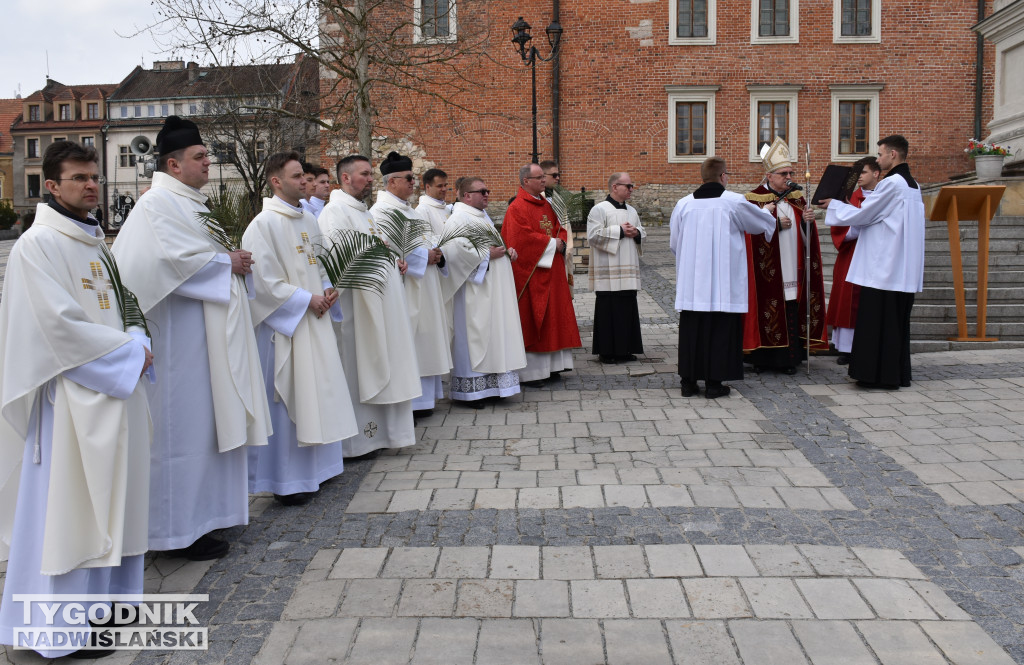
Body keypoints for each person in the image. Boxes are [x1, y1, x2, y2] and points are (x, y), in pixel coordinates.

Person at [0, 141, 154, 658]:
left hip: (113, 393)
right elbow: (57, 329)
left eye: (94, 177)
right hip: (69, 404)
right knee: (71, 515)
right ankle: (57, 635)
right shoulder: (37, 245)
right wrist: (129, 353)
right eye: (79, 178)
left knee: (114, 510)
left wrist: (139, 341)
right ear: (51, 186)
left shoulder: (93, 242)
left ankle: (104, 617)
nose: (92, 185)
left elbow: (122, 310)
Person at [112, 116, 271, 561]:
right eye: (200, 157)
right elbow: (166, 261)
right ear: (173, 164)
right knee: (180, 432)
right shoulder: (158, 204)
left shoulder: (190, 202)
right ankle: (174, 530)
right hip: (177, 342)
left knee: (204, 428)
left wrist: (228, 259)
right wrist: (227, 262)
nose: (208, 162)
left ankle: (206, 517)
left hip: (204, 337)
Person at [241, 152, 358, 506]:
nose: (305, 182)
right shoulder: (263, 225)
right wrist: (306, 300)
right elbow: (262, 283)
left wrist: (327, 288)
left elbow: (320, 264)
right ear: (277, 182)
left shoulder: (307, 219)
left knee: (318, 392)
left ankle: (319, 470)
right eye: (297, 177)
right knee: (290, 398)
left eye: (305, 177)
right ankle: (288, 481)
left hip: (315, 320)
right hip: (287, 328)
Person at [318, 155, 420, 457]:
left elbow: (376, 248)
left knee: (384, 365)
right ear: (345, 178)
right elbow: (338, 262)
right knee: (359, 369)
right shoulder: (334, 213)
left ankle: (386, 435)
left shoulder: (363, 212)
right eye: (364, 174)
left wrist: (393, 261)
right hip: (358, 313)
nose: (370, 179)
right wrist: (380, 256)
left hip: (381, 306)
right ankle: (359, 442)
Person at [822, 135, 925, 389]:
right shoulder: (914, 185)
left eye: (880, 154)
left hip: (884, 268)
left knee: (877, 324)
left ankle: (875, 376)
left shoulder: (892, 184)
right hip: (902, 267)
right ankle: (895, 373)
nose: (877, 159)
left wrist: (834, 205)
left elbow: (866, 214)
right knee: (895, 324)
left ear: (893, 155)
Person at [671, 157, 777, 398]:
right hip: (722, 283)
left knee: (691, 332)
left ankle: (687, 382)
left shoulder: (684, 204)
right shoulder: (734, 201)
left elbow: (675, 242)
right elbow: (760, 224)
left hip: (693, 283)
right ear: (723, 176)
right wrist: (767, 212)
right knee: (720, 331)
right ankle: (714, 384)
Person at [370, 152, 452, 418]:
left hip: (425, 283)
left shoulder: (408, 209)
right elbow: (389, 247)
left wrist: (436, 253)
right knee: (413, 339)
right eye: (409, 178)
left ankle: (425, 400)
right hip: (407, 286)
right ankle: (413, 402)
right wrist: (424, 256)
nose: (413, 183)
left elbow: (425, 238)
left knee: (426, 339)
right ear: (391, 181)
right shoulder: (381, 212)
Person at [743, 136, 828, 374]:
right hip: (766, 271)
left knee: (790, 309)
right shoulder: (753, 199)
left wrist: (807, 224)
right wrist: (775, 224)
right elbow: (748, 235)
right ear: (769, 176)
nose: (789, 178)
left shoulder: (797, 199)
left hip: (793, 266)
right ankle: (762, 360)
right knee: (767, 309)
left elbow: (807, 237)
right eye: (783, 174)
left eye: (791, 173)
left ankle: (790, 359)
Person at [441, 177, 526, 407]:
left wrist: (505, 252)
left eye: (487, 190)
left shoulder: (482, 217)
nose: (487, 194)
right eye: (482, 191)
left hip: (492, 292)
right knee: (474, 336)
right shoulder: (458, 219)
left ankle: (495, 387)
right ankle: (472, 392)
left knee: (494, 335)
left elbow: (488, 248)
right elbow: (452, 252)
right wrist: (488, 255)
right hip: (473, 295)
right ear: (466, 195)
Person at [502, 164, 581, 385]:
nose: (544, 181)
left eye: (543, 178)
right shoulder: (516, 208)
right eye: (539, 178)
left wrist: (560, 241)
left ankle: (554, 366)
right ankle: (533, 373)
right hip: (532, 274)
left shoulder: (546, 204)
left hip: (553, 270)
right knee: (534, 318)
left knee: (554, 318)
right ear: (526, 181)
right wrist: (550, 244)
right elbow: (519, 239)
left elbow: (559, 228)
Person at [826, 156, 882, 365]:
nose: (859, 177)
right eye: (857, 173)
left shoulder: (884, 195)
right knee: (848, 300)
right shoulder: (848, 197)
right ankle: (847, 348)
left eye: (864, 172)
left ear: (876, 173)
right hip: (852, 254)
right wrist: (860, 225)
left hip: (876, 256)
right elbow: (839, 227)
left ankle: (870, 345)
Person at [587, 172, 646, 364]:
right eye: (628, 186)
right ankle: (607, 351)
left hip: (627, 270)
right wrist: (620, 231)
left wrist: (636, 232)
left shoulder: (632, 211)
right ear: (614, 187)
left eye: (631, 186)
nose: (631, 190)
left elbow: (642, 232)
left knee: (627, 309)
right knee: (608, 311)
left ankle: (625, 350)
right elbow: (593, 236)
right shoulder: (599, 210)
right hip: (608, 273)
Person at [416, 167, 451, 234]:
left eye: (445, 185)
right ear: (428, 187)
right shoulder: (422, 210)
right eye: (440, 186)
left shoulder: (446, 209)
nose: (444, 189)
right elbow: (424, 240)